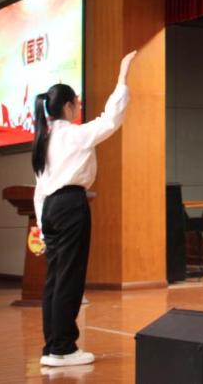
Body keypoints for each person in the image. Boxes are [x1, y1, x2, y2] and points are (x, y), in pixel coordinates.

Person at [33, 50, 136, 367]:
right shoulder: (73, 136)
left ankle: (52, 346)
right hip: (70, 206)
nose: (79, 107)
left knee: (55, 279)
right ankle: (63, 348)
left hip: (50, 208)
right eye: (76, 103)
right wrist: (122, 78)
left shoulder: (44, 141)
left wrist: (41, 227)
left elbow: (39, 189)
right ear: (68, 106)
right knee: (69, 278)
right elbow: (110, 119)